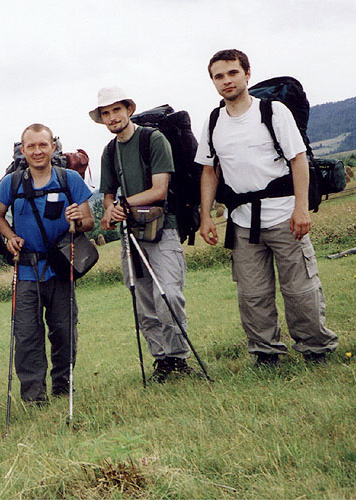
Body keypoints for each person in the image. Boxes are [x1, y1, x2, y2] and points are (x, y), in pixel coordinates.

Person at [196, 49, 338, 366]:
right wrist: (205, 216)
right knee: (252, 294)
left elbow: (297, 159)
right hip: (243, 223)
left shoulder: (272, 112)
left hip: (285, 215)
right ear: (213, 82)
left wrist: (301, 208)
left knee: (300, 289)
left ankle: (315, 348)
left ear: (247, 74)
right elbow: (209, 171)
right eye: (219, 76)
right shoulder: (214, 121)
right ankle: (265, 352)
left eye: (232, 73)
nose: (226, 81)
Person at [92, 87, 194, 383]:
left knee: (169, 293)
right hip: (131, 230)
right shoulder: (110, 151)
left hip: (163, 227)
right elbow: (108, 195)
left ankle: (178, 356)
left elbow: (159, 190)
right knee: (142, 298)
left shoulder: (153, 139)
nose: (112, 117)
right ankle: (161, 359)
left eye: (116, 110)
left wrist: (121, 205)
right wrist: (112, 210)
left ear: (128, 110)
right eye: (106, 113)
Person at [0, 124, 94, 404]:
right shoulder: (11, 183)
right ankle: (34, 397)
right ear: (22, 150)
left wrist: (77, 220)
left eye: (43, 145)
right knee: (26, 335)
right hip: (26, 269)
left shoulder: (69, 179)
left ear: (53, 147)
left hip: (61, 267)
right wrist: (10, 237)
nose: (37, 151)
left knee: (64, 330)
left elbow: (89, 221)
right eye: (31, 146)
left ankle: (63, 387)